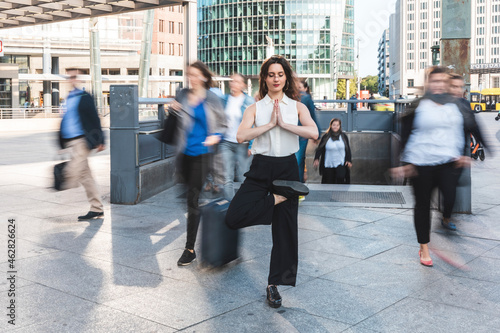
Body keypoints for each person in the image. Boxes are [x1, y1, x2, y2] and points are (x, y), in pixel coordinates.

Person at [225, 55, 318, 308]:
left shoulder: (297, 106)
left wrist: (286, 125)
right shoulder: (254, 108)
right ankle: (274, 200)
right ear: (264, 78)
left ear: (286, 77)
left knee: (285, 233)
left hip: (287, 170)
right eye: (270, 74)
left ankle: (273, 285)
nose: (276, 78)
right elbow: (241, 135)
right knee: (233, 216)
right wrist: (267, 126)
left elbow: (313, 132)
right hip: (260, 167)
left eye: (280, 74)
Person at [392, 66, 483, 267]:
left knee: (449, 195)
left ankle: (445, 217)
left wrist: (466, 152)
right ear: (428, 84)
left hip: (446, 161)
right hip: (420, 162)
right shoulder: (418, 105)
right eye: (435, 81)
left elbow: (468, 126)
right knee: (423, 205)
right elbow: (405, 134)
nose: (439, 85)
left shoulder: (455, 104)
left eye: (443, 81)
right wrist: (404, 163)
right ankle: (424, 246)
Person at [170, 61, 227, 266]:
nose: (191, 78)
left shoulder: (213, 98)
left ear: (203, 76)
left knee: (192, 199)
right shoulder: (182, 95)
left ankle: (189, 248)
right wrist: (173, 110)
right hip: (184, 154)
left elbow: (223, 125)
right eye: (188, 75)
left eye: (195, 75)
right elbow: (175, 124)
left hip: (203, 154)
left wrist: (216, 136)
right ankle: (210, 198)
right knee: (189, 198)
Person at [58, 69, 105, 220]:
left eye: (74, 77)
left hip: (83, 140)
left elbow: (95, 118)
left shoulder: (85, 97)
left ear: (80, 79)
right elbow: (65, 120)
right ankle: (97, 208)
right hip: (71, 140)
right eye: (69, 77)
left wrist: (101, 140)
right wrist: (61, 142)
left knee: (72, 170)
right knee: (86, 176)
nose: (72, 79)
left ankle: (65, 183)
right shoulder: (68, 98)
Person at [220, 73, 255, 200]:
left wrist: (251, 145)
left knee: (243, 176)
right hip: (226, 142)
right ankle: (230, 208)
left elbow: (254, 124)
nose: (233, 83)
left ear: (243, 85)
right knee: (227, 177)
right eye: (232, 81)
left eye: (237, 81)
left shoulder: (249, 101)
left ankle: (243, 205)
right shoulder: (224, 99)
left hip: (243, 144)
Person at [295, 80, 320, 183]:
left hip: (301, 135)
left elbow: (312, 117)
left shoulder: (305, 98)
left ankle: (297, 186)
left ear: (305, 89)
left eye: (300, 88)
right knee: (298, 162)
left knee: (298, 162)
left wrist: (316, 134)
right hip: (299, 134)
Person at [313, 118, 352, 184]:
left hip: (341, 163)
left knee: (340, 182)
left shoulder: (343, 137)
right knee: (328, 183)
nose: (335, 127)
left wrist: (349, 160)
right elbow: (320, 148)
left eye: (337, 125)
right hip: (328, 164)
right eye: (334, 125)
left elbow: (347, 149)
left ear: (340, 126)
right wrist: (316, 158)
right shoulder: (326, 137)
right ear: (331, 125)